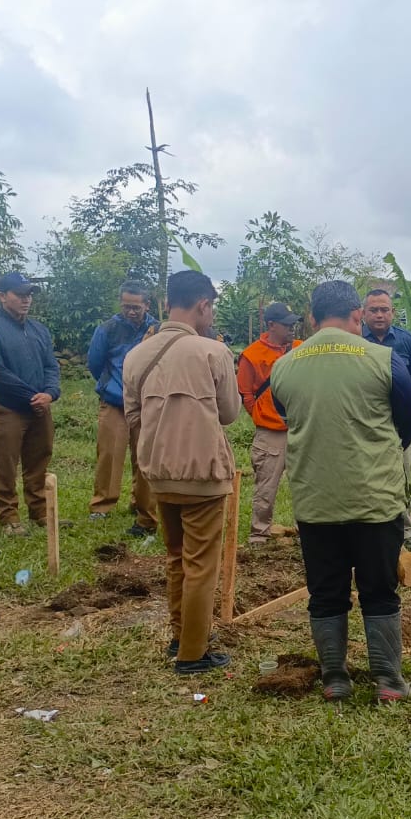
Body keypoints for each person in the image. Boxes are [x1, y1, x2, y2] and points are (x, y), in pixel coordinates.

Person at [270, 280, 411, 703]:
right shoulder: (384, 360)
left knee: (325, 591)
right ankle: (390, 682)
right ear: (357, 315)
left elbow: (286, 413)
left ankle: (335, 679)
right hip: (375, 500)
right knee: (379, 590)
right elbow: (407, 423)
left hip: (315, 501)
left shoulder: (284, 366)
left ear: (312, 317)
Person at [124, 271, 240, 674]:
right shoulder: (212, 351)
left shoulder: (138, 354)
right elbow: (229, 413)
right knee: (201, 564)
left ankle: (179, 635)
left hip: (157, 473)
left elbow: (132, 416)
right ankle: (193, 653)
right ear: (203, 305)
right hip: (203, 475)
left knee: (175, 557)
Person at [0, 273, 61, 536]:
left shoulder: (39, 329)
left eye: (29, 295)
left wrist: (50, 394)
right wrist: (34, 396)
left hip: (41, 406)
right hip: (8, 408)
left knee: (40, 459)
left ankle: (40, 511)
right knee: (5, 463)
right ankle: (8, 516)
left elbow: (51, 366)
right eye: (19, 295)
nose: (26, 300)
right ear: (2, 296)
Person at [87, 281, 159, 536]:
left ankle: (141, 504)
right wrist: (113, 388)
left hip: (147, 405)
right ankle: (102, 505)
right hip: (115, 401)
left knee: (145, 458)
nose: (131, 311)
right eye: (126, 306)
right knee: (110, 454)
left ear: (147, 305)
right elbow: (95, 364)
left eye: (136, 307)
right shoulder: (107, 329)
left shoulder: (157, 330)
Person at [362, 286, 411, 550]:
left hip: (398, 422)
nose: (379, 315)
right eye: (373, 310)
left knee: (403, 475)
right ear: (363, 313)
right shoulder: (354, 340)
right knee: (365, 476)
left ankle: (406, 532)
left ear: (392, 312)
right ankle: (368, 531)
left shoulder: (405, 341)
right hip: (364, 422)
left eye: (384, 310)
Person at [236, 302, 299, 544]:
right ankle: (259, 534)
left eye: (293, 324)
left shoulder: (300, 349)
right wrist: (260, 415)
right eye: (287, 324)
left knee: (304, 484)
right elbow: (245, 394)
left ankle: (306, 530)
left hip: (299, 428)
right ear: (271, 325)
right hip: (270, 432)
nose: (292, 328)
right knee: (266, 487)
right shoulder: (252, 355)